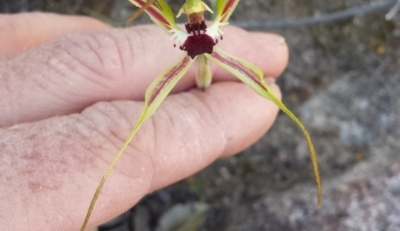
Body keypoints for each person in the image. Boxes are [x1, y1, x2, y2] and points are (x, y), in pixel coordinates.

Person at [0, 12, 288, 230]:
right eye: (191, 17)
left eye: (199, 15)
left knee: (265, 92)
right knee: (139, 122)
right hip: (192, 74)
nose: (196, 18)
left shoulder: (208, 41)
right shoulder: (185, 39)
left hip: (207, 68)